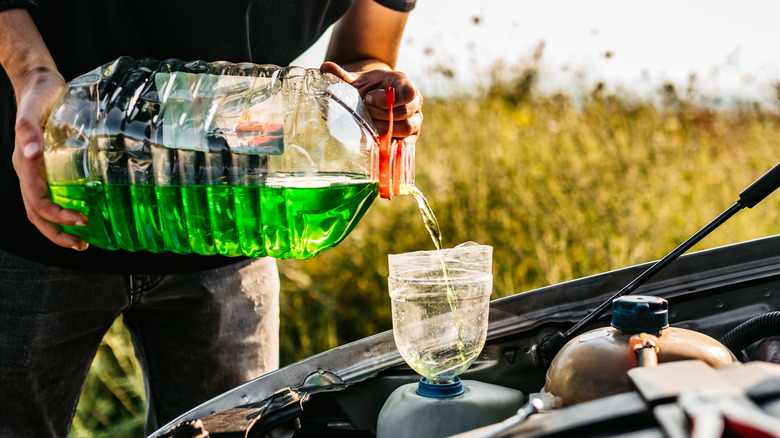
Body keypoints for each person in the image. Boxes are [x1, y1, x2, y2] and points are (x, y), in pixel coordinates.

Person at [0, 1, 423, 436]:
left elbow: (364, 50)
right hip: (46, 204)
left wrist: (372, 92)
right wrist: (30, 70)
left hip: (228, 225)